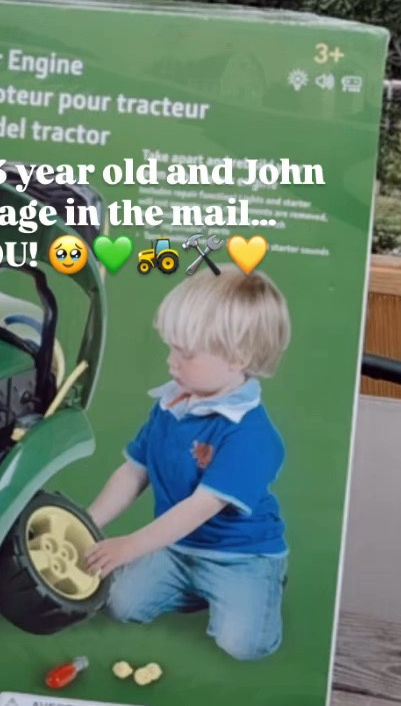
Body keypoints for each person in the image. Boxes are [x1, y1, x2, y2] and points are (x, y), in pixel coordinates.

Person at [84, 267, 291, 661]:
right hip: (177, 549)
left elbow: (199, 508)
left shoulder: (250, 434)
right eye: (171, 347)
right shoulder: (172, 404)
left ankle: (265, 587)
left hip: (241, 558)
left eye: (186, 352)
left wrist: (129, 546)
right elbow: (133, 471)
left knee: (243, 645)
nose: (171, 362)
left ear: (238, 357)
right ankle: (191, 590)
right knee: (119, 605)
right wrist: (88, 523)